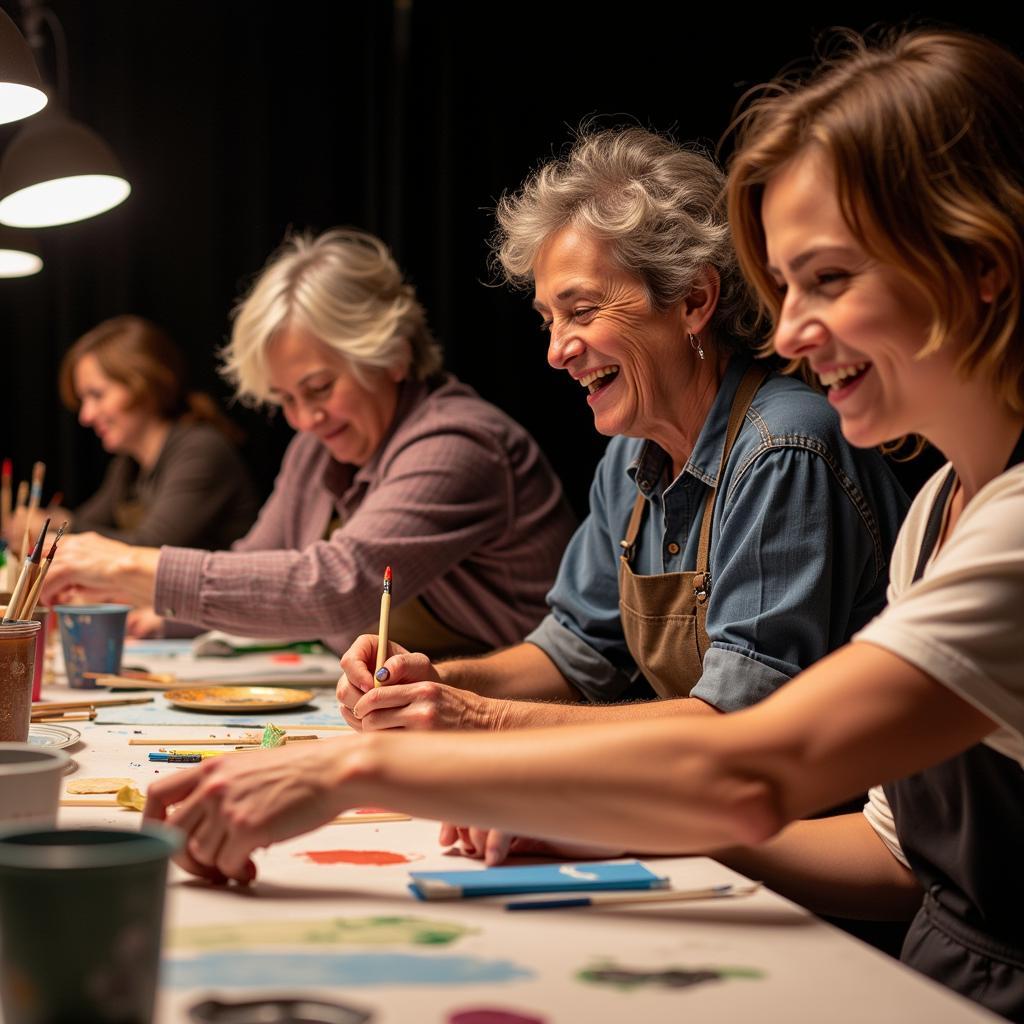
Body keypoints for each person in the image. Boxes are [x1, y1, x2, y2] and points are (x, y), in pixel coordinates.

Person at [146, 32, 1024, 1021]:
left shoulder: (816, 454)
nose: (783, 332)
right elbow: (892, 854)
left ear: (979, 261)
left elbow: (743, 760)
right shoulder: (942, 510)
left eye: (828, 279)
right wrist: (567, 796)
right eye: (785, 286)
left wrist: (389, 757)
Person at [336, 127, 906, 733]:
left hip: (824, 820)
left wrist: (479, 717)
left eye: (581, 312)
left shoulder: (783, 449)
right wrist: (431, 682)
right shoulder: (632, 459)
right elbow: (573, 650)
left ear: (692, 299)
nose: (556, 352)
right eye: (548, 321)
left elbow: (736, 724)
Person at [43, 229, 576, 656]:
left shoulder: (460, 441)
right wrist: (155, 613)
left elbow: (336, 588)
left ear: (391, 353)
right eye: (286, 399)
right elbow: (258, 561)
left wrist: (128, 568)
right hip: (410, 710)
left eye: (320, 388)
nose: (305, 418)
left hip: (514, 722)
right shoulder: (318, 444)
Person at [4, 315, 259, 552]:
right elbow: (85, 522)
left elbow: (151, 548)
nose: (86, 416)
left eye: (97, 395)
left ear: (144, 384)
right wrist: (55, 524)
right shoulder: (128, 466)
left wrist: (58, 528)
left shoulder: (202, 450)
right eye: (83, 400)